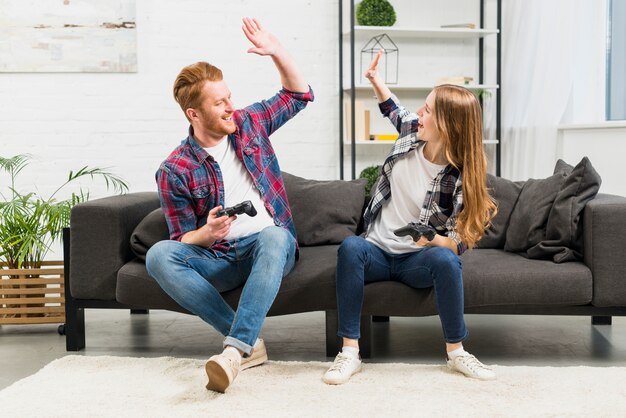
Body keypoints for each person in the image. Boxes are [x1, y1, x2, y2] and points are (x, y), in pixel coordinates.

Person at [146, 17, 313, 393]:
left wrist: (277, 52)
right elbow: (181, 238)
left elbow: (299, 96)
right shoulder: (174, 169)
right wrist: (205, 233)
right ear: (194, 113)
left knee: (273, 235)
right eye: (219, 103)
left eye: (229, 98)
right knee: (158, 255)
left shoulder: (249, 123)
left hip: (268, 249)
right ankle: (249, 343)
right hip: (220, 258)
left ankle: (234, 352)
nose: (229, 107)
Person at [322, 49, 498, 385]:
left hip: (416, 261)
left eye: (428, 110)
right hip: (376, 251)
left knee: (446, 262)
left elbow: (459, 243)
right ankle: (349, 353)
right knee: (349, 247)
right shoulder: (411, 134)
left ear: (447, 124)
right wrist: (375, 79)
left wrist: (432, 239)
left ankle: (457, 352)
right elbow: (393, 107)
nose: (419, 113)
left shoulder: (461, 176)